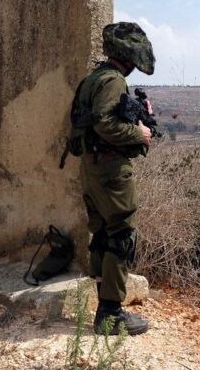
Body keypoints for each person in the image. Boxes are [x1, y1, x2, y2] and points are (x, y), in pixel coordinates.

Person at [72, 22, 155, 336]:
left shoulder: (96, 77)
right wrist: (140, 132)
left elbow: (97, 119)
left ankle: (104, 310)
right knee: (121, 235)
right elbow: (106, 125)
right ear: (127, 54)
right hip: (110, 171)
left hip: (93, 168)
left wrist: (136, 114)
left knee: (104, 234)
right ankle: (111, 314)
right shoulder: (113, 81)